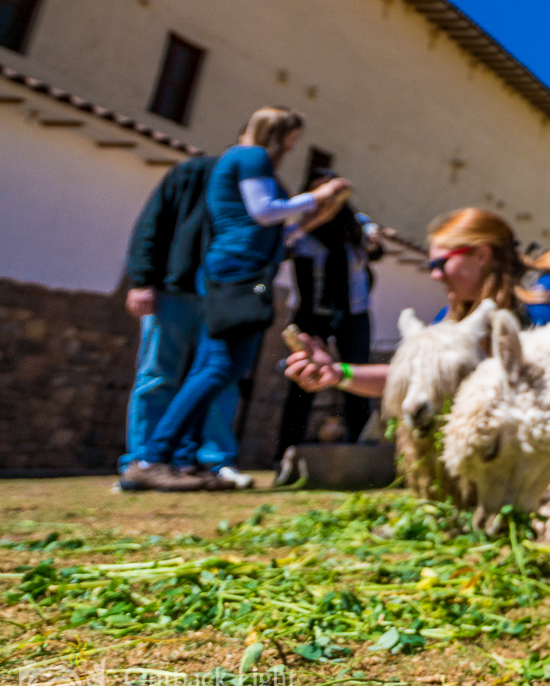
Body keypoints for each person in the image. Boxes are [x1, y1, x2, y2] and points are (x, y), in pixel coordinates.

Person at [122, 107, 350, 491]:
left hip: (232, 272)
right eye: (292, 137)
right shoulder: (251, 157)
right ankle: (151, 457)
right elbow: (263, 214)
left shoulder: (242, 164)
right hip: (233, 275)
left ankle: (177, 458)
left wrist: (308, 220)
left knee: (215, 370)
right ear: (279, 134)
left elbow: (263, 227)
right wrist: (317, 196)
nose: (294, 147)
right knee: (215, 368)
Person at [285, 209, 550, 400]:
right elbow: (411, 376)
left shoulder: (548, 302)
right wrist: (338, 373)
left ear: (481, 255)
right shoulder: (451, 319)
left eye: (441, 263)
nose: (434, 275)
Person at [119, 150, 251, 490]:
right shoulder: (189, 174)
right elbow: (152, 224)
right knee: (157, 374)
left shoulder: (254, 189)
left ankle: (212, 461)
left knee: (220, 376)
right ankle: (143, 459)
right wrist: (142, 280)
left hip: (222, 298)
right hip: (172, 290)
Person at [276, 170, 382, 453]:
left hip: (354, 314)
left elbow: (375, 248)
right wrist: (313, 221)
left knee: (357, 381)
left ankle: (362, 451)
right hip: (312, 315)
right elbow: (278, 249)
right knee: (304, 383)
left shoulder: (356, 228)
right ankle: (288, 453)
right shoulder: (301, 232)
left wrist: (374, 239)